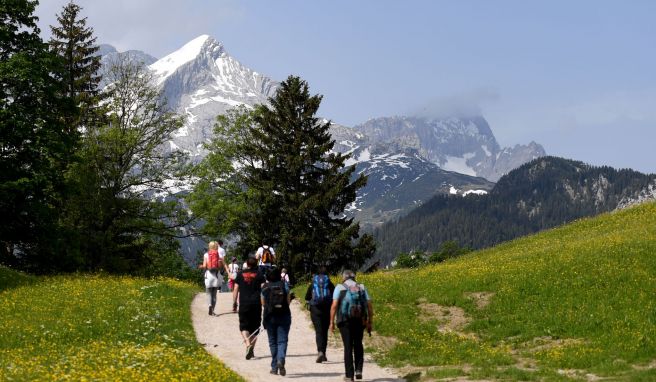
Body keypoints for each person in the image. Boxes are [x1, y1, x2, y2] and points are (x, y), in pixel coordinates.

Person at [329, 270, 374, 381]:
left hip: (344, 321)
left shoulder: (340, 287)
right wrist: (369, 322)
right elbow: (369, 306)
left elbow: (334, 305)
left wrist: (331, 322)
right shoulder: (362, 287)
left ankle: (349, 375)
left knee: (348, 347)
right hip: (360, 321)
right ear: (354, 277)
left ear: (343, 278)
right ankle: (359, 370)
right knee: (358, 344)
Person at [233, 257, 266, 360]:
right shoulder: (260, 274)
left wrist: (234, 302)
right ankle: (251, 349)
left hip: (244, 303)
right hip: (256, 303)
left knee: (243, 326)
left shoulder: (240, 274)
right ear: (256, 264)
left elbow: (236, 289)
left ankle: (248, 345)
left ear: (247, 264)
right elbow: (264, 289)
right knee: (255, 327)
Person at [261, 267, 292, 376]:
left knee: (272, 342)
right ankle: (281, 359)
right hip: (284, 315)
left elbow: (263, 303)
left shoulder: (265, 287)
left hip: (270, 317)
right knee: (282, 341)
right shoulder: (284, 285)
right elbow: (288, 302)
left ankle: (274, 368)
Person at [304, 266, 334, 363]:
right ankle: (323, 353)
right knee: (324, 331)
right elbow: (334, 295)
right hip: (327, 309)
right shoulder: (329, 282)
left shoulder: (313, 282)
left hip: (315, 309)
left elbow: (307, 296)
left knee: (318, 331)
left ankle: (320, 351)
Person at [198, 241, 229, 316]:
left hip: (208, 275)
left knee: (208, 293)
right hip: (216, 275)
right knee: (214, 295)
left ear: (209, 246)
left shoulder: (206, 254)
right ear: (216, 246)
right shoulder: (218, 255)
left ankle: (209, 305)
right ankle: (213, 310)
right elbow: (220, 266)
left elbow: (205, 266)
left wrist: (200, 266)